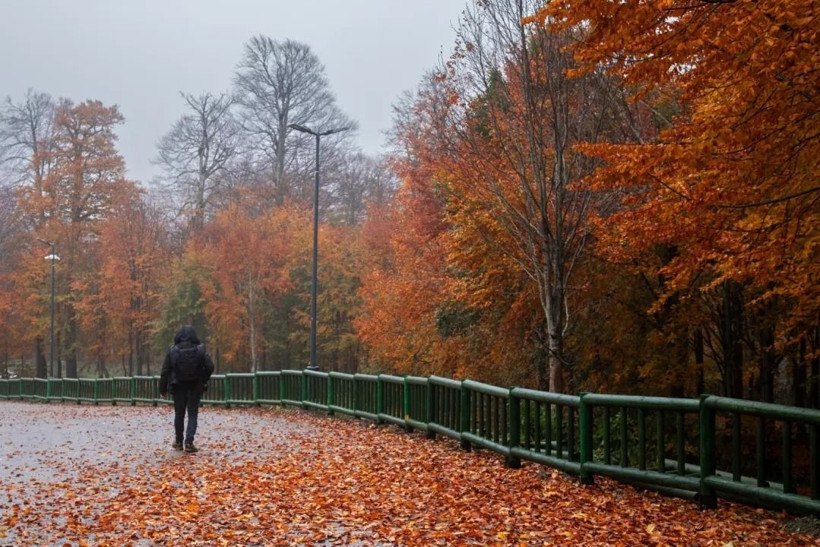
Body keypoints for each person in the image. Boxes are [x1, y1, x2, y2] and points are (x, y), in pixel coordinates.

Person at [159, 325, 215, 453]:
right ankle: (189, 442)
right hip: (195, 386)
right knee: (193, 413)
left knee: (179, 414)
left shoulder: (173, 350)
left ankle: (178, 441)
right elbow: (210, 366)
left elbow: (165, 371)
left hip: (178, 386)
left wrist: (162, 388)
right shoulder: (200, 350)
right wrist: (203, 379)